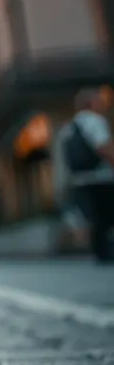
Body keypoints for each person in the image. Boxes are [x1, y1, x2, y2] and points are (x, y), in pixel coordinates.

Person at [53, 88, 114, 263]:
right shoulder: (94, 121)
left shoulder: (69, 127)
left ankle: (101, 252)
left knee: (96, 217)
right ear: (91, 103)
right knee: (107, 214)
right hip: (101, 177)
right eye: (98, 101)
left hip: (81, 179)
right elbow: (103, 146)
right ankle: (105, 251)